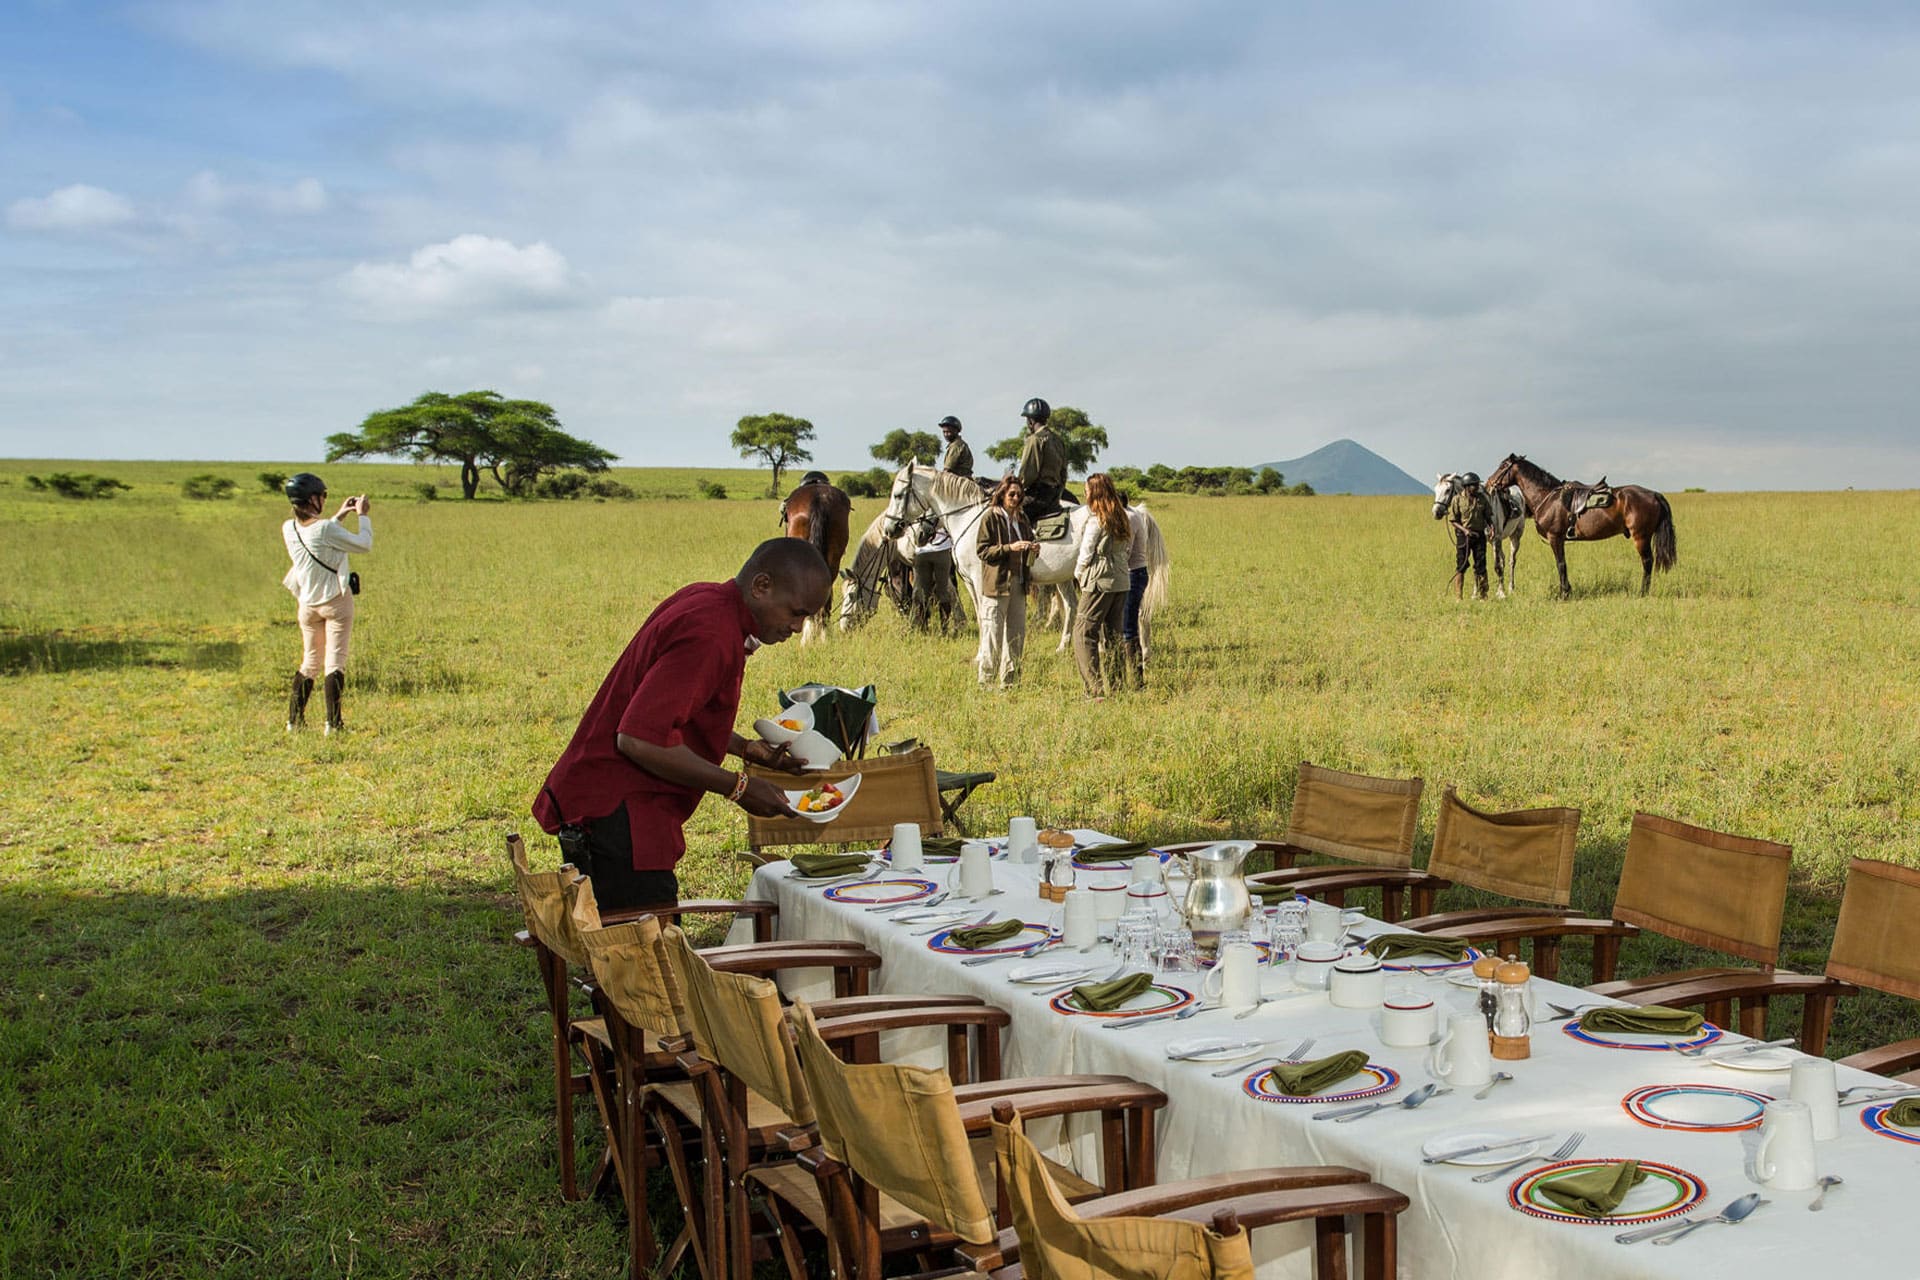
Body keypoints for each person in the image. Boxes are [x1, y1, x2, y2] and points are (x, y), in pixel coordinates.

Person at [531, 539, 830, 910]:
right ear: (761, 586)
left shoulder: (708, 600)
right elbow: (638, 739)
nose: (798, 627)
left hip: (621, 811)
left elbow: (673, 715)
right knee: (645, 959)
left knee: (631, 955)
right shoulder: (712, 634)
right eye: (796, 612)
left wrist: (745, 748)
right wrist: (738, 787)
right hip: (623, 816)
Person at [280, 473, 372, 734]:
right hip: (335, 602)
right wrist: (362, 515)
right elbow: (363, 545)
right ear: (312, 499)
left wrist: (340, 514)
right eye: (322, 495)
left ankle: (293, 722)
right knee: (335, 661)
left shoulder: (289, 527)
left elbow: (318, 536)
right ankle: (333, 724)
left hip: (307, 605)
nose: (324, 499)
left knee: (309, 661)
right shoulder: (325, 529)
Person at [1072, 473, 1134, 699]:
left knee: (1083, 632)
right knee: (1114, 633)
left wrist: (1079, 575)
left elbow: (1087, 552)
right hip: (1120, 579)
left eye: (1087, 490)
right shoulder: (1121, 516)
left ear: (1095, 492)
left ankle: (1094, 688)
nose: (1085, 494)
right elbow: (1127, 548)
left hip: (1099, 578)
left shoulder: (1097, 519)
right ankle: (1118, 686)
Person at [975, 476, 1039, 689]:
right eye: (1011, 494)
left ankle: (1010, 682)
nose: (1015, 497)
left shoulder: (1022, 520)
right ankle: (986, 682)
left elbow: (1029, 543)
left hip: (1019, 583)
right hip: (997, 585)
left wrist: (1033, 549)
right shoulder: (990, 518)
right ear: (1001, 494)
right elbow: (983, 551)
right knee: (993, 634)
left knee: (1016, 635)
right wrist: (1010, 548)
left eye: (1019, 494)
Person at [1015, 398, 1067, 526]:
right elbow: (1063, 473)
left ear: (1030, 421)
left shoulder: (1034, 440)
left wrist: (1015, 487)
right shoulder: (1058, 441)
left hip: (1036, 495)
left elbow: (1027, 474)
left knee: (1007, 514)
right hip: (1054, 496)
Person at [1442, 471, 1493, 600]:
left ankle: (1483, 595)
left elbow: (1488, 517)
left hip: (1479, 536)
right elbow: (1453, 520)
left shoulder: (1482, 499)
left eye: (1477, 485)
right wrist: (1464, 531)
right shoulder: (1457, 500)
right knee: (1461, 565)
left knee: (1481, 566)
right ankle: (1459, 596)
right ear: (1467, 486)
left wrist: (1491, 528)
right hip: (1463, 537)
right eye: (1474, 485)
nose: (1477, 487)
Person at [908, 515, 958, 634]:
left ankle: (939, 628)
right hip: (928, 551)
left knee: (938, 591)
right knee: (924, 592)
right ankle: (925, 627)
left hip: (937, 550)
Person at [1119, 494, 1151, 684]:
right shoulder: (1133, 514)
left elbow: (1125, 551)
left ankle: (1137, 679)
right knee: (1128, 626)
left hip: (1131, 574)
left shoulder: (1128, 518)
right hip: (1136, 572)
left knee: (1128, 628)